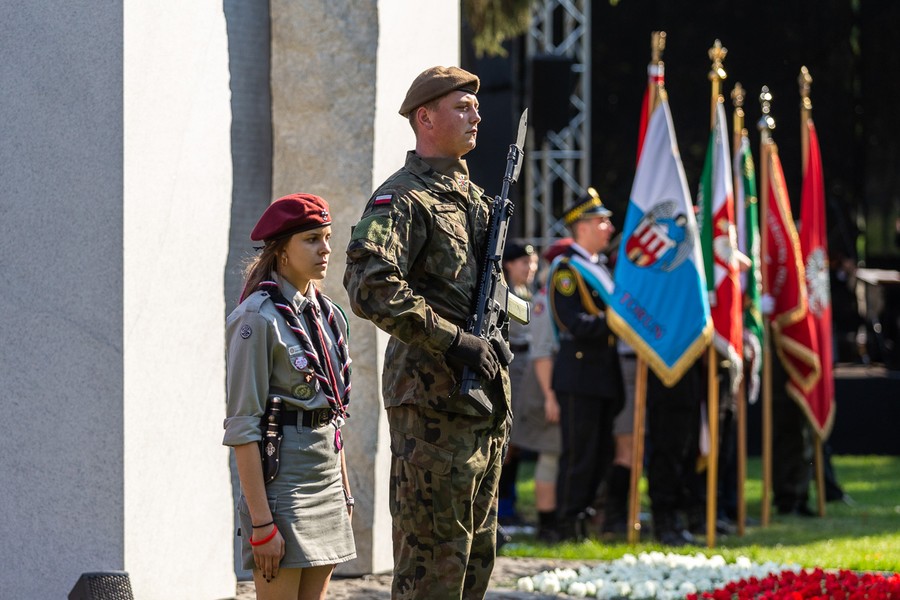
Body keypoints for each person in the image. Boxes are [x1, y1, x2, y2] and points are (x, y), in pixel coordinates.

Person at [343, 65, 509, 599]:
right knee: (433, 565)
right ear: (425, 118)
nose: (475, 114)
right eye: (461, 106)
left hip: (483, 407)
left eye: (475, 106)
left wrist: (497, 332)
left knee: (475, 560)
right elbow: (369, 283)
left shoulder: (479, 202)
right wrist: (453, 340)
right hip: (433, 407)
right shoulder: (404, 199)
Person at [223, 193, 356, 600]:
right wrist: (261, 524)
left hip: (326, 478)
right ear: (281, 251)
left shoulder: (328, 314)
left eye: (328, 237)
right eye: (312, 239)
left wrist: (345, 490)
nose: (326, 249)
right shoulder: (257, 318)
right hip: (285, 483)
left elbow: (334, 410)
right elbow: (243, 428)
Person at [547, 188, 625, 541]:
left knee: (600, 452)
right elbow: (573, 323)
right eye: (602, 222)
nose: (609, 228)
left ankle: (586, 515)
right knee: (579, 452)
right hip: (579, 374)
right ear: (581, 228)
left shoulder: (601, 267)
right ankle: (568, 522)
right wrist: (617, 320)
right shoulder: (567, 271)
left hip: (603, 373)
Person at [526, 238, 571, 542]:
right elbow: (541, 353)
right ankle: (547, 524)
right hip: (547, 384)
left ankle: (561, 518)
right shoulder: (545, 299)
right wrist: (550, 397)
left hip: (560, 382)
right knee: (550, 454)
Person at [497, 241, 538, 535]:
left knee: (519, 441)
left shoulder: (528, 293)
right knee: (506, 443)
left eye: (533, 262)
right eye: (524, 262)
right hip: (511, 361)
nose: (530, 268)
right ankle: (503, 507)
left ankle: (510, 504)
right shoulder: (503, 292)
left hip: (528, 364)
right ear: (509, 264)